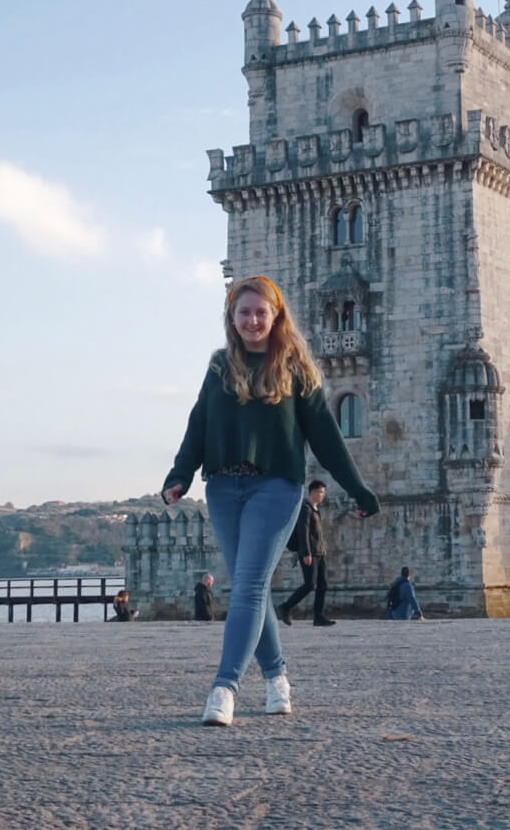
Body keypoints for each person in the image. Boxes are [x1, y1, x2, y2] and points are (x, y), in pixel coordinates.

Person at [160, 274, 379, 728]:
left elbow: (327, 438)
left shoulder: (296, 368)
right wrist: (180, 476)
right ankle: (278, 677)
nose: (253, 320)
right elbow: (197, 425)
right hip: (222, 488)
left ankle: (224, 688)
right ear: (231, 317)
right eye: (244, 312)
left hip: (275, 488)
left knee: (248, 586)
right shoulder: (220, 367)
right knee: (249, 589)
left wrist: (358, 489)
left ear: (276, 315)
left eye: (261, 312)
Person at [278, 480, 335, 627]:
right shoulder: (305, 509)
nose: (323, 495)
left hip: (320, 552)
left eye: (323, 492)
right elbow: (303, 532)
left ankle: (319, 616)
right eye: (321, 492)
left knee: (323, 584)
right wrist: (306, 553)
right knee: (310, 584)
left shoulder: (316, 510)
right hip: (310, 553)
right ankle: (286, 606)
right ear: (313, 492)